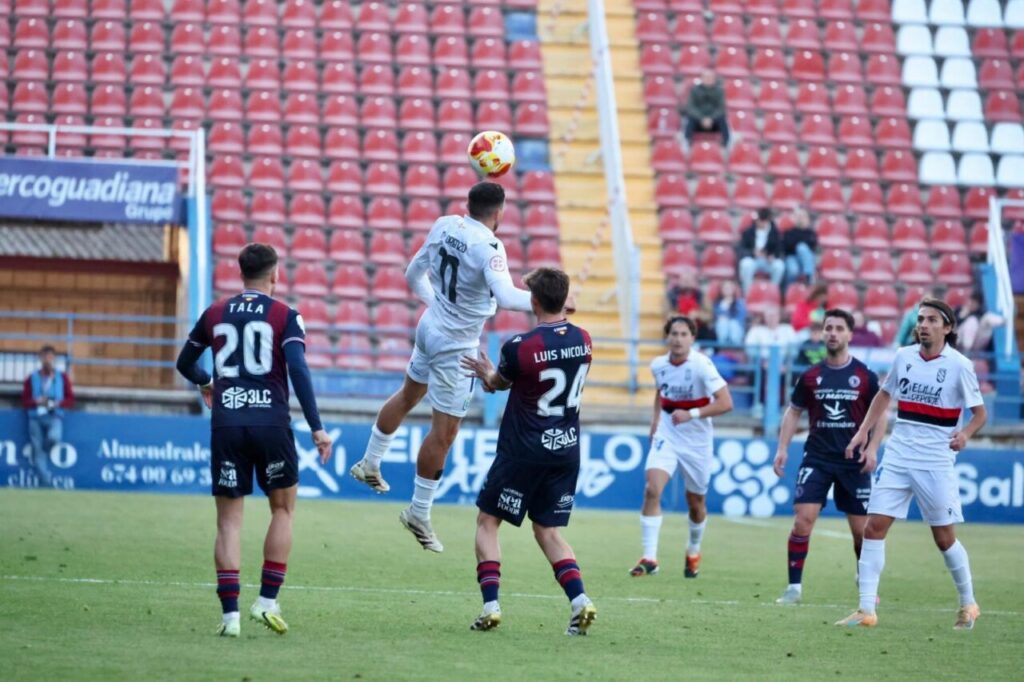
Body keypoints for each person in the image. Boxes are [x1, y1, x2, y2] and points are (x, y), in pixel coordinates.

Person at [349, 182, 550, 553]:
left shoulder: (444, 224)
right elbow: (507, 297)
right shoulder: (490, 247)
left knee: (409, 394)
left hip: (430, 326)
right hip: (456, 346)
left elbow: (413, 275)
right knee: (444, 433)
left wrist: (438, 307)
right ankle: (418, 512)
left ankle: (370, 461)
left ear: (468, 204)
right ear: (499, 211)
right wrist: (550, 301)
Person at [175, 243, 333, 638]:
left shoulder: (214, 313)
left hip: (227, 423)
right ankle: (266, 601)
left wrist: (206, 382)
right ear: (275, 275)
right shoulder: (285, 315)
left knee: (229, 522)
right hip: (271, 424)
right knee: (283, 510)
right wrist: (316, 426)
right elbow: (298, 370)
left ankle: (230, 618)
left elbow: (184, 362)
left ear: (240, 273)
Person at [459, 268, 597, 635]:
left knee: (488, 522)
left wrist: (487, 373)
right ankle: (580, 601)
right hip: (566, 449)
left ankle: (491, 606)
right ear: (564, 298)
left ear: (533, 301)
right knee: (548, 530)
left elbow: (498, 383)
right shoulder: (584, 339)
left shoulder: (519, 346)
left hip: (524, 449)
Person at [836, 298, 987, 629]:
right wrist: (862, 431)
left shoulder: (959, 365)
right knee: (874, 527)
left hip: (935, 459)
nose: (923, 325)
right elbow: (884, 395)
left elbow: (979, 413)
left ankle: (968, 603)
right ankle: (866, 609)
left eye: (931, 320)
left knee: (943, 538)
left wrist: (965, 434)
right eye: (920, 319)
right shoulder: (904, 356)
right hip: (899, 454)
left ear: (947, 327)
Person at [772, 309, 886, 605]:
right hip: (817, 459)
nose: (833, 333)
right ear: (822, 333)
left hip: (854, 462)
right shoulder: (811, 376)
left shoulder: (864, 376)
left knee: (861, 533)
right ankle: (794, 589)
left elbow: (881, 414)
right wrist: (782, 448)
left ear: (849, 334)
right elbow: (793, 411)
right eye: (828, 328)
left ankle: (865, 583)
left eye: (839, 328)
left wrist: (873, 449)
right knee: (802, 521)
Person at [630, 316, 733, 579]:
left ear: (692, 338)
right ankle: (650, 558)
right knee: (652, 489)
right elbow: (660, 393)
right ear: (667, 337)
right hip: (668, 435)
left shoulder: (702, 365)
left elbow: (725, 403)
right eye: (674, 334)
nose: (678, 339)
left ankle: (693, 550)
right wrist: (655, 422)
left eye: (683, 334)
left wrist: (692, 414)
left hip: (697, 442)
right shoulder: (658, 365)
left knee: (696, 503)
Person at [22, 345, 74, 486]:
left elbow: (70, 399)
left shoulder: (62, 377)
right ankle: (46, 482)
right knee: (37, 450)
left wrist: (57, 403)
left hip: (54, 415)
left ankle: (44, 450)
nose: (47, 360)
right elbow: (24, 400)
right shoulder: (31, 378)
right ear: (40, 358)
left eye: (50, 357)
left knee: (54, 438)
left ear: (54, 359)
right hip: (35, 416)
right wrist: (36, 401)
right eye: (44, 357)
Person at [737, 208, 785, 294]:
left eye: (764, 221)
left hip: (768, 261)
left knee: (779, 266)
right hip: (753, 259)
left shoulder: (775, 233)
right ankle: (747, 293)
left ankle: (772, 293)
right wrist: (752, 252)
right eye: (760, 220)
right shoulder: (749, 231)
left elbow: (779, 249)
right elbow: (742, 249)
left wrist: (773, 256)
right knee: (745, 264)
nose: (761, 223)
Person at [684, 67, 729, 146]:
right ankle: (687, 144)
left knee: (723, 120)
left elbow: (721, 108)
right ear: (701, 78)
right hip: (698, 120)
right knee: (690, 120)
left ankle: (725, 145)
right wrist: (702, 118)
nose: (708, 79)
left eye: (710, 77)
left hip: (714, 121)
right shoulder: (694, 90)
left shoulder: (719, 91)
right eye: (706, 77)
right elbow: (691, 107)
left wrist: (711, 119)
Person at [782, 208, 817, 286]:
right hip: (792, 257)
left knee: (802, 248)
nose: (801, 219)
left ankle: (808, 276)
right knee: (792, 270)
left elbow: (812, 245)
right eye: (799, 216)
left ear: (807, 219)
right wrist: (800, 242)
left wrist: (798, 243)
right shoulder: (788, 232)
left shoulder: (811, 233)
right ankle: (789, 289)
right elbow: (787, 246)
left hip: (806, 259)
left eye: (803, 216)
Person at [711, 280, 747, 347]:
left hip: (736, 328)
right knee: (723, 323)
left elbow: (740, 317)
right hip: (721, 328)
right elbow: (715, 317)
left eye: (729, 288)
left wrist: (726, 316)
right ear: (721, 290)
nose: (727, 290)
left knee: (733, 324)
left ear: (733, 289)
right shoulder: (717, 304)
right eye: (725, 288)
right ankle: (722, 345)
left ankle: (735, 346)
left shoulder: (740, 303)